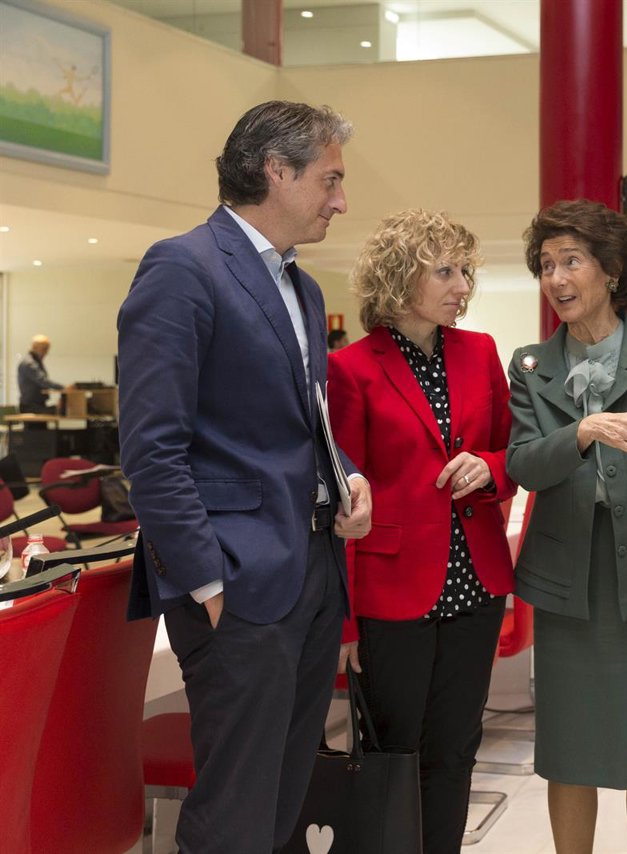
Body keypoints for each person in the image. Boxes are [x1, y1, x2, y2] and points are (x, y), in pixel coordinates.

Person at [117, 100, 373, 854]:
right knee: (235, 813)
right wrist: (208, 583)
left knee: (282, 798)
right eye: (330, 179)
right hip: (238, 584)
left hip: (313, 570)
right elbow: (152, 451)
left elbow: (300, 422)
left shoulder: (303, 286)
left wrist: (346, 476)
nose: (340, 200)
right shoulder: (182, 267)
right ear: (277, 171)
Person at [506, 199, 627, 854]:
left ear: (612, 270)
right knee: (568, 752)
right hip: (567, 588)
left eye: (571, 261)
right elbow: (525, 465)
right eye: (545, 265)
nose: (557, 279)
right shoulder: (532, 365)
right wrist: (584, 430)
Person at [328, 209, 516, 852]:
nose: (462, 284)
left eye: (466, 270)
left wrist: (487, 469)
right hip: (391, 591)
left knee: (458, 749)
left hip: (476, 584)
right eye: (445, 270)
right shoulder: (351, 369)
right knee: (394, 750)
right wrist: (346, 624)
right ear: (399, 277)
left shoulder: (482, 352)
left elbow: (510, 459)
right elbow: (340, 509)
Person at [17, 334, 64, 414]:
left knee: (59, 410)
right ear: (34, 347)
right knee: (59, 411)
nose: (46, 352)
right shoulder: (29, 363)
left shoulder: (35, 362)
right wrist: (63, 388)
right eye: (44, 349)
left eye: (47, 349)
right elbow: (43, 381)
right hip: (31, 407)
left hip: (38, 405)